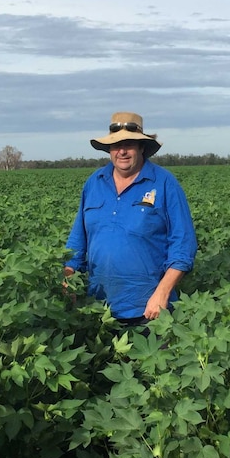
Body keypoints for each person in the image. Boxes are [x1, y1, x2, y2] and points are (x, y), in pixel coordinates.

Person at [64, 112, 197, 325]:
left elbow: (183, 246)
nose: (122, 151)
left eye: (130, 144)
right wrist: (68, 275)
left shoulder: (164, 183)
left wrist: (162, 294)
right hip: (97, 308)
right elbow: (77, 243)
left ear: (141, 147)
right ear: (109, 149)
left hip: (149, 310)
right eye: (116, 145)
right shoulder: (94, 183)